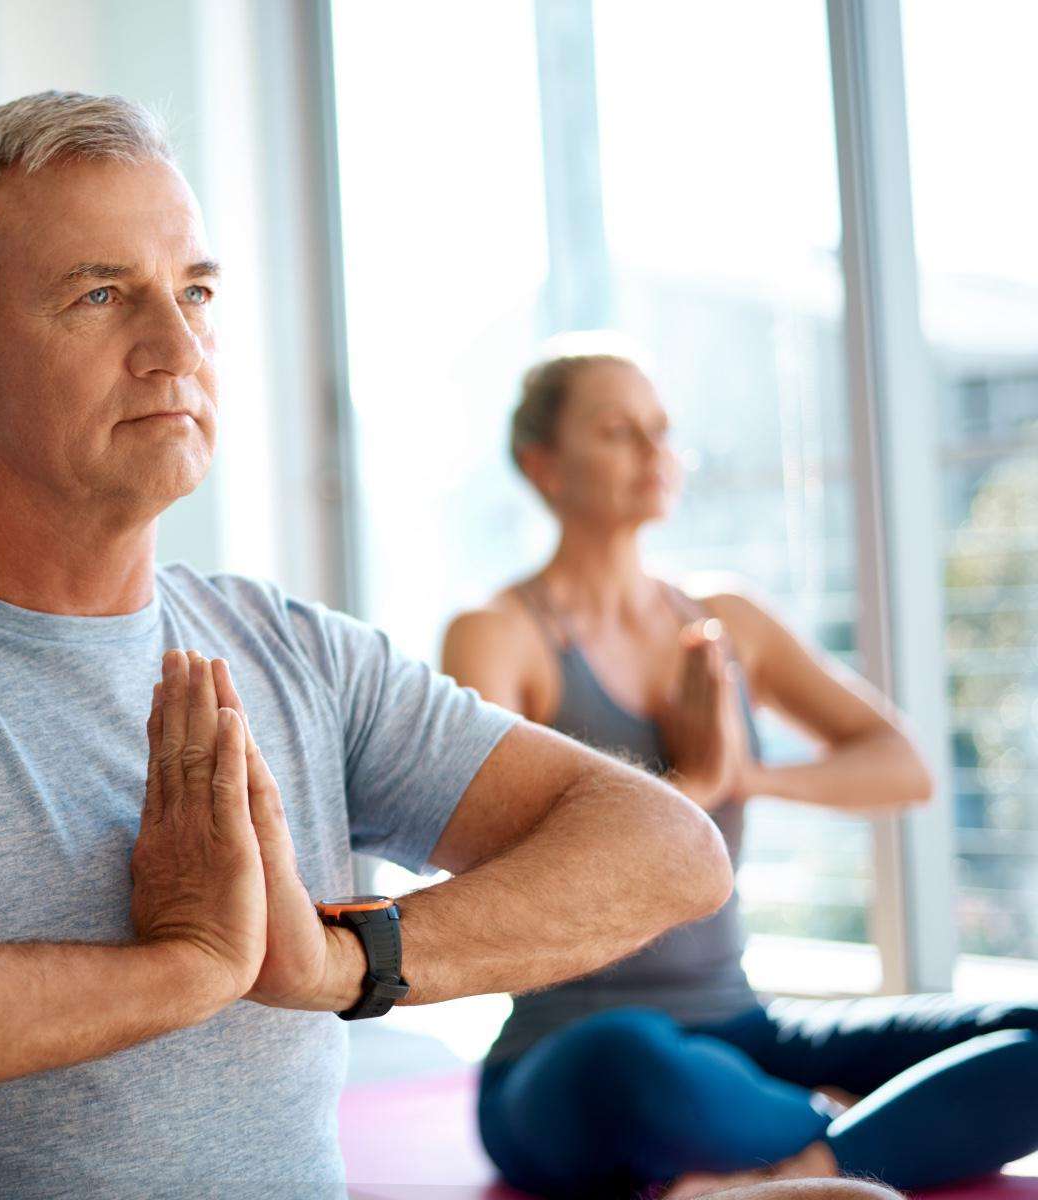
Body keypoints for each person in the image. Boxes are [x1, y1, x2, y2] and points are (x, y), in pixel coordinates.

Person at [0, 92, 746, 1200]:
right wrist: (180, 971)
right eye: (102, 294)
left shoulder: (301, 654)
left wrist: (337, 962)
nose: (176, 348)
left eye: (195, 292)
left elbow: (670, 849)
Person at [443, 338, 1038, 1199]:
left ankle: (802, 1169)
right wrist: (693, 787)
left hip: (741, 1024)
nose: (654, 451)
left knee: (1027, 1030)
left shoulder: (724, 617)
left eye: (661, 429)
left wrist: (747, 779)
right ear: (543, 466)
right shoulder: (499, 636)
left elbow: (902, 766)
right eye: (617, 431)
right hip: (571, 1051)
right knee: (634, 1060)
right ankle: (852, 1130)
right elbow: (480, 857)